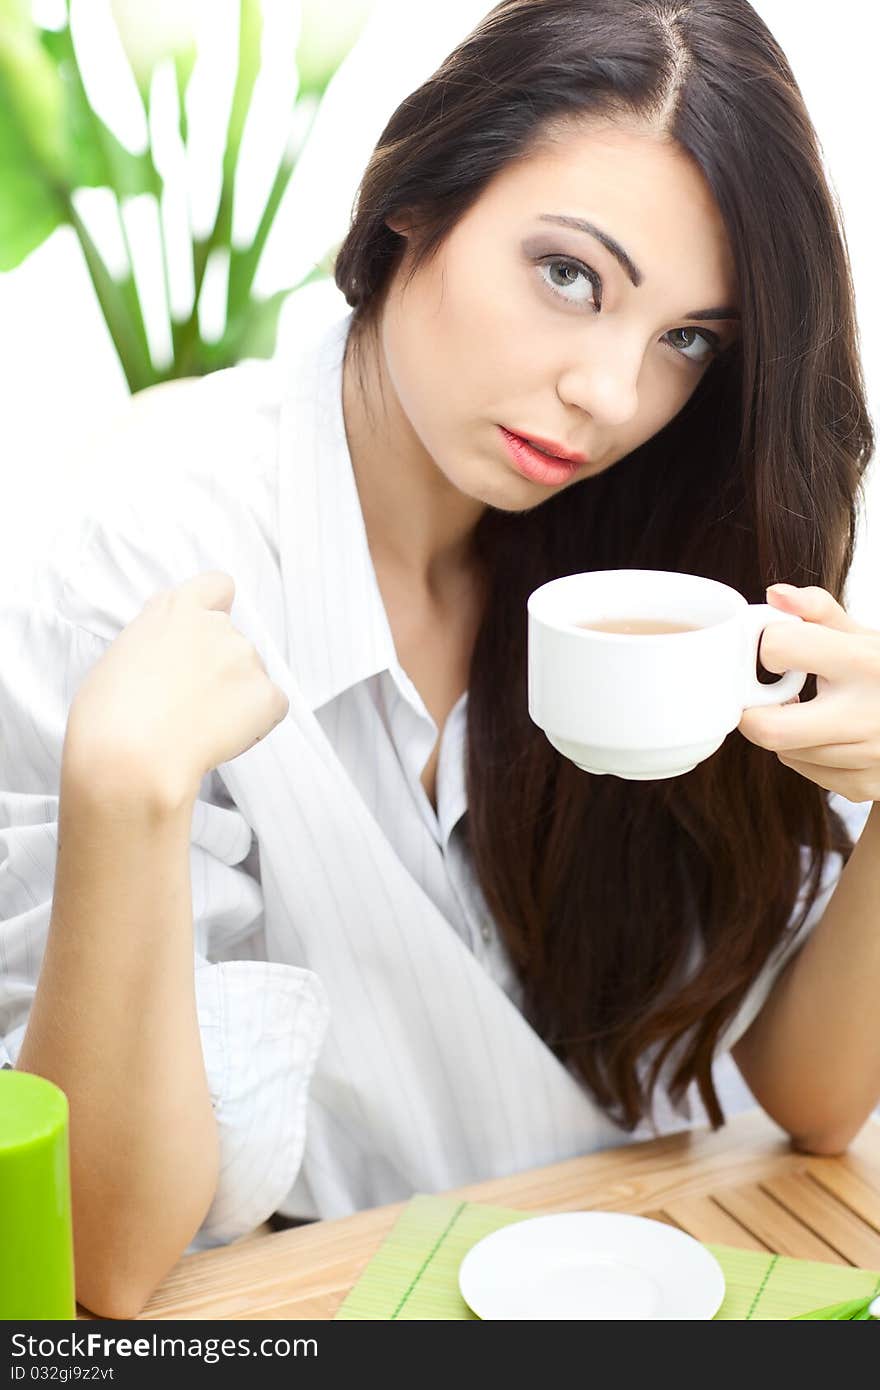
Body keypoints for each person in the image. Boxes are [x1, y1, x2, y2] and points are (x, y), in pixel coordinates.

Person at [0, 0, 877, 1320]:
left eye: (686, 340)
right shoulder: (137, 556)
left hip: (634, 1265)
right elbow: (103, 1266)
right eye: (571, 276)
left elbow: (810, 1095)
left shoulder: (644, 565)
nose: (614, 395)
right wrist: (126, 798)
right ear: (417, 202)